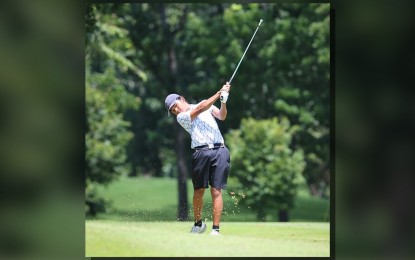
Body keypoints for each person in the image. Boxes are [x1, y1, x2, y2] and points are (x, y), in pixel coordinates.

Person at [164, 82, 231, 236]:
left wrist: (223, 100)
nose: (175, 110)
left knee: (216, 191)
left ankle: (215, 229)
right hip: (201, 152)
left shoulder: (204, 103)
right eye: (172, 110)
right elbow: (201, 108)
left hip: (220, 150)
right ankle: (198, 224)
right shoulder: (182, 117)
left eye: (175, 105)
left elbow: (222, 116)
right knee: (199, 191)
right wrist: (218, 92)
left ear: (182, 99)